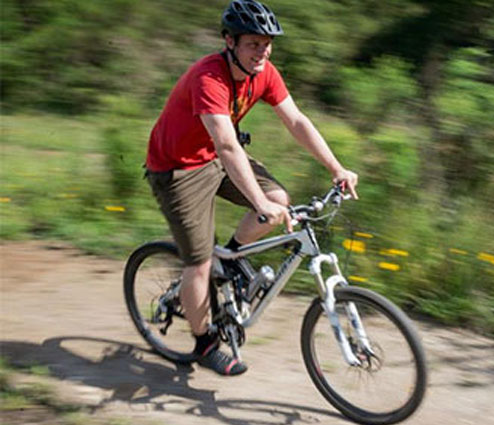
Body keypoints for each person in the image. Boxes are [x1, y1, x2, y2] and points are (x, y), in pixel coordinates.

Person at [144, 0, 358, 376]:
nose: (262, 52)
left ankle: (231, 256)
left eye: (267, 43)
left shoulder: (265, 72)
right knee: (198, 264)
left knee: (279, 199)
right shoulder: (208, 78)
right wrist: (258, 202)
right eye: (253, 44)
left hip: (214, 157)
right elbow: (227, 144)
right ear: (230, 42)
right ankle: (205, 342)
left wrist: (336, 167)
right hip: (177, 170)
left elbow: (296, 120)